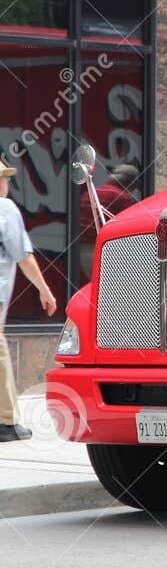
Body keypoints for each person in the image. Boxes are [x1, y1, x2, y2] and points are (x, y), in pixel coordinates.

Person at [0, 160, 57, 441]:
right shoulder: (5, 209)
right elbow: (24, 257)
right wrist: (44, 290)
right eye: (3, 178)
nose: (6, 184)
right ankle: (6, 421)